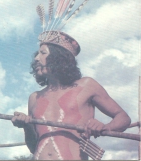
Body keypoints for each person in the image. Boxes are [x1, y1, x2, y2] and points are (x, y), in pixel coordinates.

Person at [11, 31, 131, 160]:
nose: (36, 58)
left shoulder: (87, 85)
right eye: (37, 53)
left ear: (59, 57)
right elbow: (33, 146)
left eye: (43, 53)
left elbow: (123, 118)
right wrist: (27, 127)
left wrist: (105, 127)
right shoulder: (34, 97)